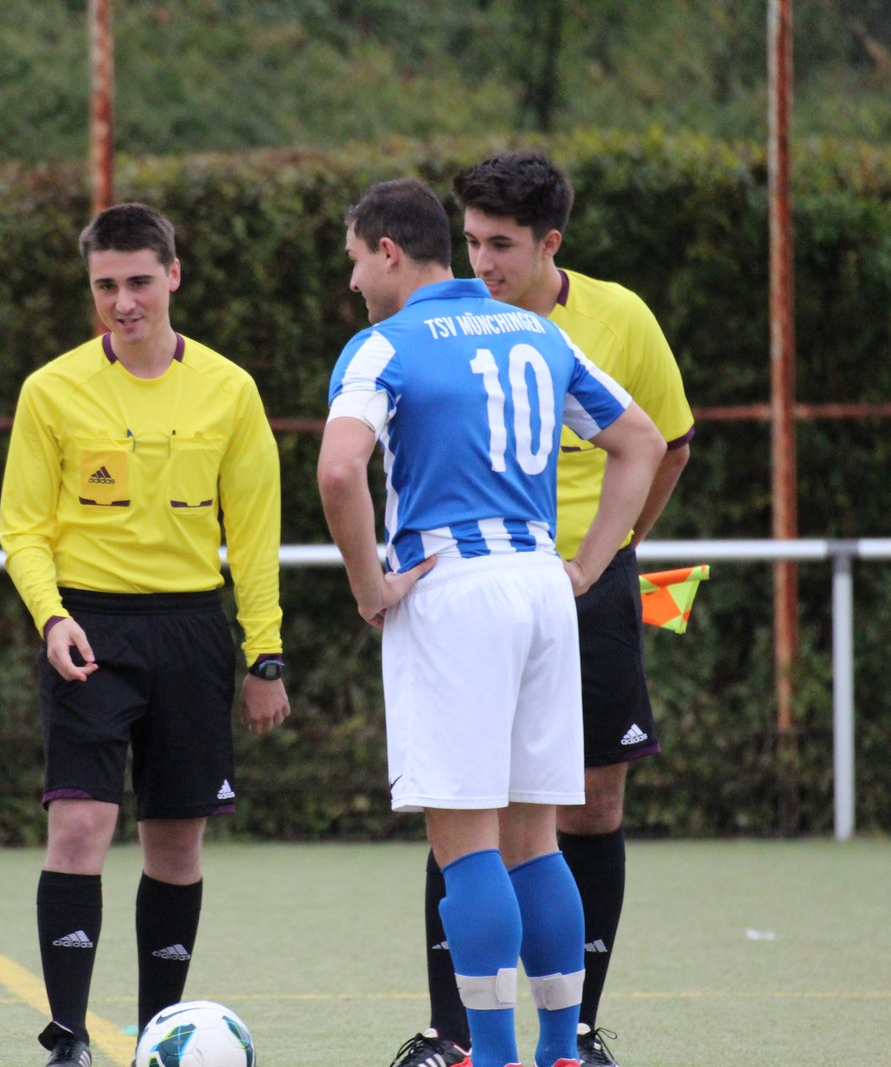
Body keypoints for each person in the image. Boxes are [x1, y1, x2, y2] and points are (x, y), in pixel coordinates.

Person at [317, 178, 665, 1067]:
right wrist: (586, 565)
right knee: (537, 838)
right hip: (542, 585)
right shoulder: (537, 332)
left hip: (454, 588)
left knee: (465, 843)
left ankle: (493, 1055)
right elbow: (645, 442)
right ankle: (558, 1052)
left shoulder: (381, 345)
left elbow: (338, 471)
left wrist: (372, 586)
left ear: (389, 251)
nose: (353, 280)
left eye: (356, 259)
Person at [0, 203, 291, 1067]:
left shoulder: (230, 390)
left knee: (175, 839)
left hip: (194, 633)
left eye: (137, 281)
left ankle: (160, 1034)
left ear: (173, 275)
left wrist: (264, 652)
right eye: (105, 286)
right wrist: (52, 618)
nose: (123, 302)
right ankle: (67, 1039)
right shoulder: (50, 390)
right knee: (79, 829)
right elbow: (23, 530)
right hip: (89, 628)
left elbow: (256, 533)